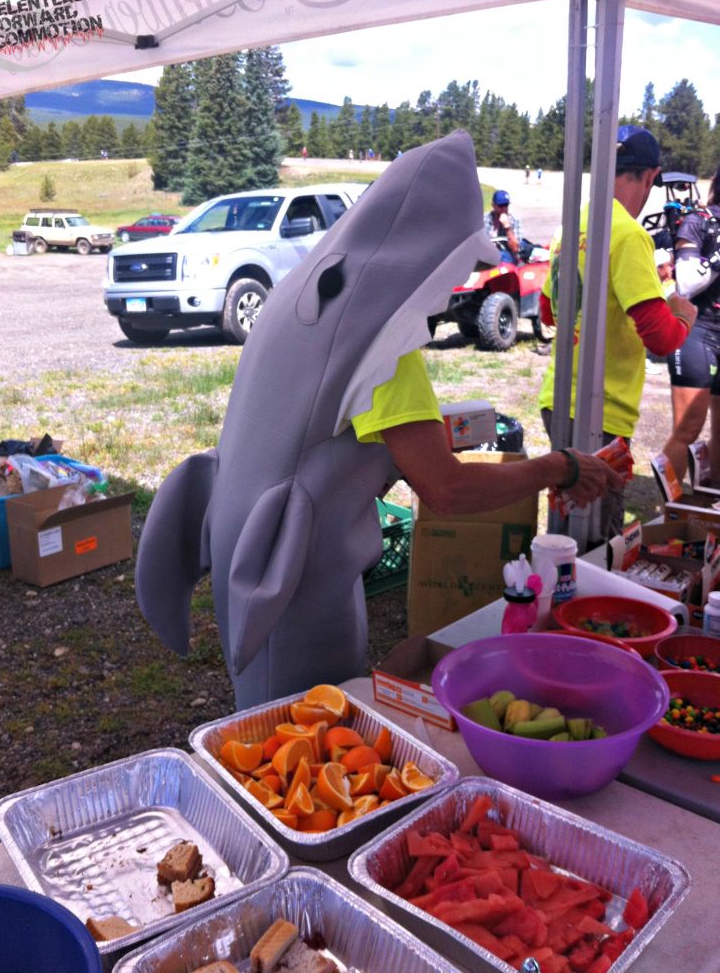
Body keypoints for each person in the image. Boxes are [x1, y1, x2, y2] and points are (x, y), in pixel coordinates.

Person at [136, 131, 621, 709]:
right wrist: (558, 467)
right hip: (292, 560)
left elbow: (340, 425)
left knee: (276, 709)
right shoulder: (381, 344)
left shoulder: (308, 294)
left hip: (254, 539)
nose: (457, 283)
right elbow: (445, 488)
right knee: (303, 725)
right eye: (459, 262)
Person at [537, 124, 697, 541]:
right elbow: (662, 339)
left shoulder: (570, 226)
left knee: (566, 520)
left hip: (558, 401)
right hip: (600, 412)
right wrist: (682, 315)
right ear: (649, 176)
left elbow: (549, 311)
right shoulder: (628, 233)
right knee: (597, 540)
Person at [662, 164, 720, 483]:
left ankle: (703, 513)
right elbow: (684, 284)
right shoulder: (699, 221)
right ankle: (669, 515)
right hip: (698, 333)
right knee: (688, 429)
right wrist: (716, 259)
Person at [484, 189, 522, 263]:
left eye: (506, 205)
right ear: (493, 205)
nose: (504, 209)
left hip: (506, 257)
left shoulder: (514, 220)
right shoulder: (484, 218)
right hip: (486, 254)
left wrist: (507, 227)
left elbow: (515, 249)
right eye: (501, 206)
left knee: (503, 257)